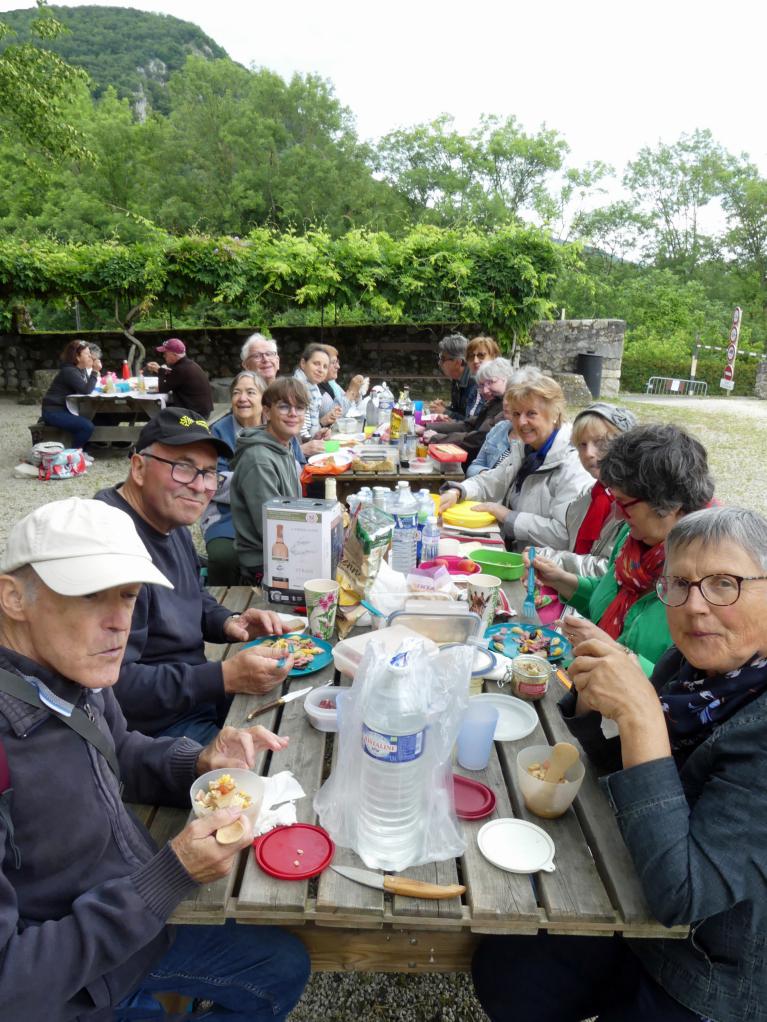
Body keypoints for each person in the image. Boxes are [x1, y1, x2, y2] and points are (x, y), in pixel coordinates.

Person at [0, 497, 309, 1022]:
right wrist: (168, 876)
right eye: (91, 596)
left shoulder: (71, 671)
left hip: (133, 895)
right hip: (80, 976)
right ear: (13, 597)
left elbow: (118, 750)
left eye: (128, 596)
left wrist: (200, 762)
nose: (120, 623)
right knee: (280, 969)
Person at [473, 505, 767, 1022]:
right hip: (636, 903)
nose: (695, 606)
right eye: (679, 583)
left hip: (709, 968)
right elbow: (621, 765)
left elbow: (684, 895)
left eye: (725, 584)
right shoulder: (697, 665)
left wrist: (640, 714)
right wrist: (594, 694)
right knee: (510, 970)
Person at [95, 407, 294, 743]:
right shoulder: (109, 545)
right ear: (139, 467)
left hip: (195, 695)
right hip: (152, 732)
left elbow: (192, 596)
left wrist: (229, 622)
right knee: (278, 767)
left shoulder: (170, 521)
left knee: (296, 698)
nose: (201, 486)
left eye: (209, 472)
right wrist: (222, 677)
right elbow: (113, 684)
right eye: (184, 468)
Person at [532, 423, 715, 675]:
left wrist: (614, 653)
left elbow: (688, 686)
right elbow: (611, 597)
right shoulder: (633, 540)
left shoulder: (711, 576)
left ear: (670, 504)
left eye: (625, 504)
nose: (617, 514)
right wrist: (561, 580)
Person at [439, 374, 592, 551]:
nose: (521, 422)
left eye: (531, 414)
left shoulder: (573, 463)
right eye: (516, 414)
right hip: (518, 553)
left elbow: (563, 535)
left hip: (545, 569)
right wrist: (458, 491)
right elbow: (493, 480)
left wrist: (507, 516)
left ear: (555, 414)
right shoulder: (526, 448)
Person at [526, 402, 638, 576]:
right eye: (582, 445)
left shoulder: (635, 506)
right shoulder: (587, 498)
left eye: (601, 443)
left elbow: (610, 571)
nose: (589, 453)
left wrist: (551, 558)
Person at [230, 378, 306, 586]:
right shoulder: (259, 460)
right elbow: (272, 528)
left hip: (284, 553)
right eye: (284, 406)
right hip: (265, 564)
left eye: (299, 408)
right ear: (266, 411)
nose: (293, 413)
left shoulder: (284, 445)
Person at [200, 371, 265, 586]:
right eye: (237, 392)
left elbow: (298, 466)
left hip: (270, 513)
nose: (242, 398)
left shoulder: (275, 427)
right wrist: (258, 483)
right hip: (227, 515)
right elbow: (210, 481)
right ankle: (220, 606)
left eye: (250, 392)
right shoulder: (217, 432)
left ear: (263, 398)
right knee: (224, 557)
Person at [424, 357, 515, 463]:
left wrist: (438, 438)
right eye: (481, 385)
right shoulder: (495, 401)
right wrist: (428, 427)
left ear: (507, 378)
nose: (485, 390)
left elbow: (479, 438)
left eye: (491, 382)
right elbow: (468, 424)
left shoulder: (508, 408)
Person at [465, 365, 543, 477]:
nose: (506, 402)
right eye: (507, 395)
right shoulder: (500, 428)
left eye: (515, 398)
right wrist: (485, 475)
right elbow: (474, 466)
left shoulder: (535, 440)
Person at [40, 339, 102, 449]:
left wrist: (93, 372)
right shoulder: (69, 371)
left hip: (66, 409)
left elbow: (87, 387)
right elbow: (86, 390)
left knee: (100, 418)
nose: (91, 357)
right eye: (87, 354)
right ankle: (74, 453)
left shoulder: (79, 370)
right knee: (86, 426)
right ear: (77, 357)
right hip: (54, 411)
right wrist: (95, 371)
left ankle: (86, 448)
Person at [145, 338, 214, 418]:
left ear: (174, 354)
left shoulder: (181, 369)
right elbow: (173, 376)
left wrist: (160, 372)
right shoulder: (187, 365)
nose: (164, 356)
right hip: (201, 410)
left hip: (196, 415)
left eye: (165, 353)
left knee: (162, 414)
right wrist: (159, 369)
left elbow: (162, 389)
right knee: (165, 408)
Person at [429, 334, 476, 421]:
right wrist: (444, 409)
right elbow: (458, 411)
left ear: (457, 362)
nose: (439, 363)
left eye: (443, 358)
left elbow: (470, 423)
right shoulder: (457, 379)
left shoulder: (475, 384)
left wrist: (445, 412)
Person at [293, 343, 331, 440]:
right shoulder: (296, 389)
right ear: (303, 363)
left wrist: (318, 434)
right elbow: (300, 435)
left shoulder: (314, 389)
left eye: (325, 366)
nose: (321, 370)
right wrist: (313, 441)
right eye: (316, 364)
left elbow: (307, 429)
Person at [318, 344, 364, 420]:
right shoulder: (315, 389)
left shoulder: (332, 383)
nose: (338, 366)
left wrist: (356, 393)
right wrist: (351, 391)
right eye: (334, 362)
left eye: (337, 362)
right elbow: (333, 416)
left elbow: (349, 404)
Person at [463, 335, 501, 416]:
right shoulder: (475, 387)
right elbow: (469, 422)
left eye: (481, 355)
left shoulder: (498, 388)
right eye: (471, 356)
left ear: (493, 357)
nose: (475, 361)